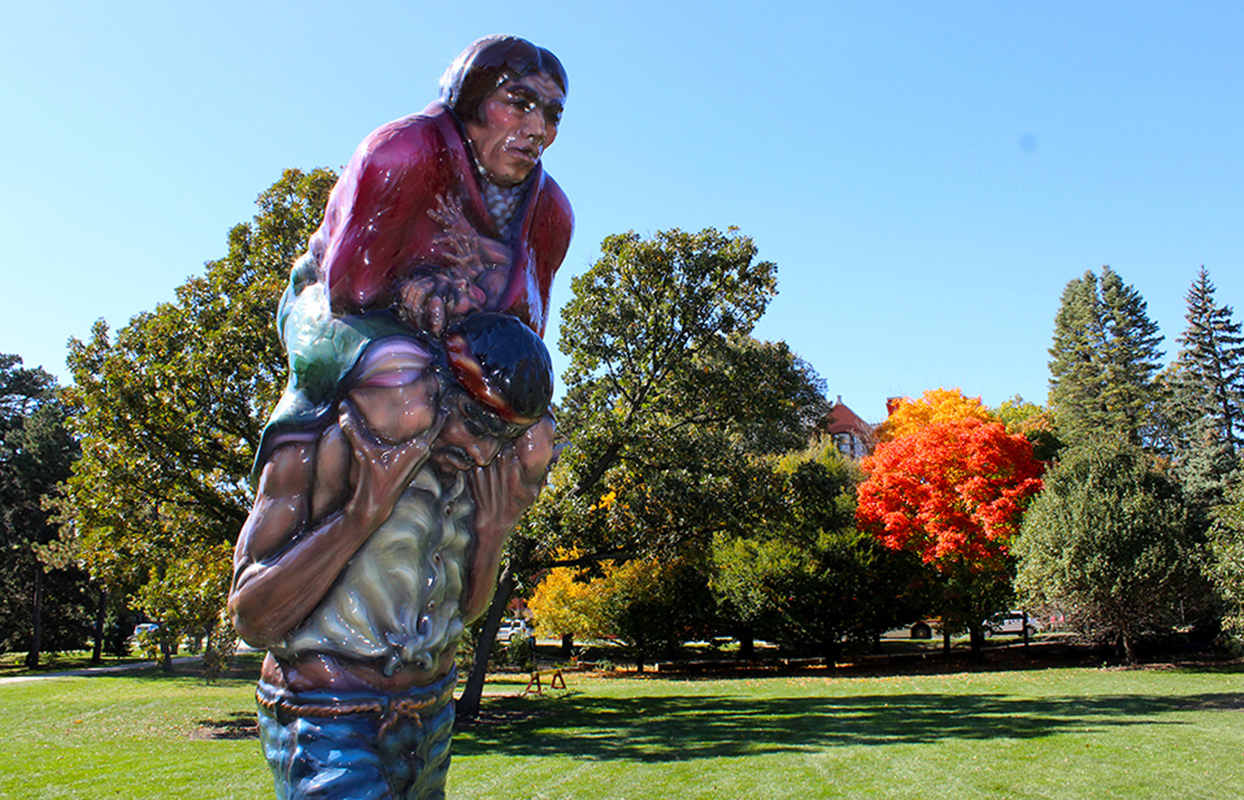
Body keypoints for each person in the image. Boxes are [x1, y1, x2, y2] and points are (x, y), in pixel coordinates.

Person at [230, 313, 555, 800]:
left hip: (428, 713)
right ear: (437, 388)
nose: (485, 453)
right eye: (478, 423)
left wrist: (492, 530)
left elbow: (463, 613)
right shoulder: (327, 441)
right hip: (328, 713)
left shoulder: (473, 476)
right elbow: (251, 616)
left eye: (504, 438)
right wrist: (360, 517)